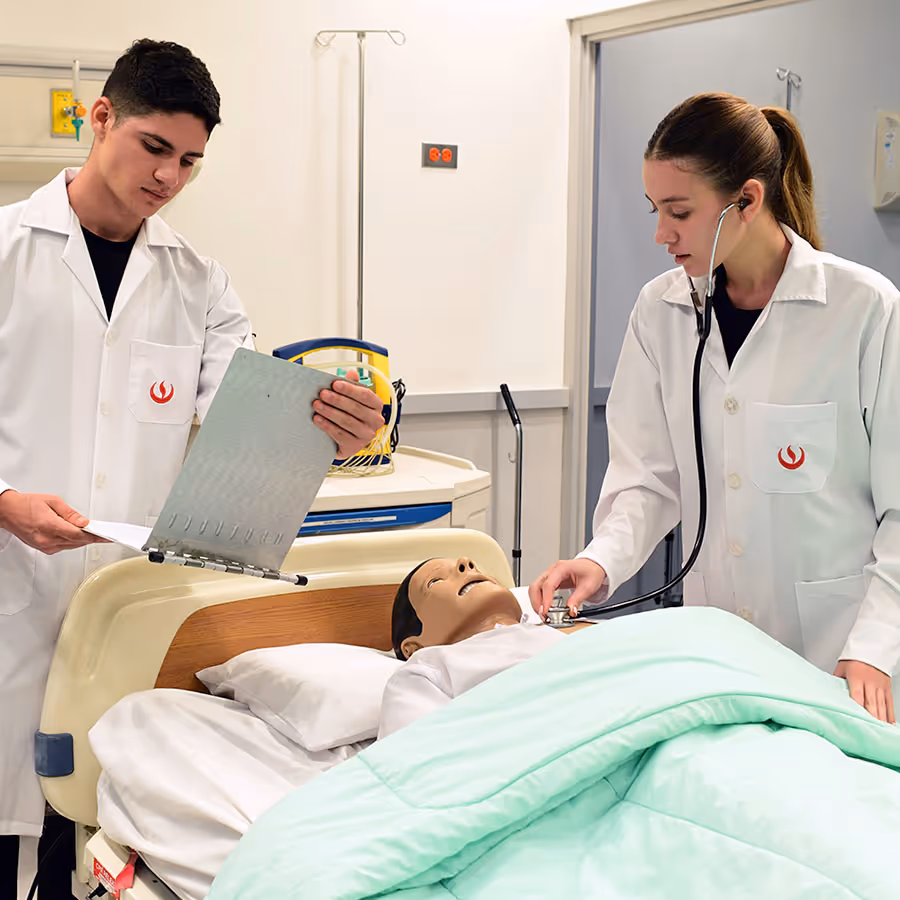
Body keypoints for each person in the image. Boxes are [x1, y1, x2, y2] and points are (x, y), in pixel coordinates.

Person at [0, 39, 385, 897]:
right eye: (154, 148)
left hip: (121, 611)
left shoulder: (200, 284)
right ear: (101, 119)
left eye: (190, 161)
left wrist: (333, 429)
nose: (169, 177)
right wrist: (4, 501)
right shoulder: (6, 250)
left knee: (85, 836)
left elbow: (248, 423)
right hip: (10, 593)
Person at [530, 92, 900, 726]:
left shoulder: (865, 308)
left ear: (748, 200)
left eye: (680, 211)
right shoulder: (661, 310)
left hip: (841, 657)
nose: (661, 234)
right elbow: (648, 478)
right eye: (655, 210)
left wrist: (875, 648)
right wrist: (600, 559)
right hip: (715, 649)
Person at [381, 557, 587, 738]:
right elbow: (413, 756)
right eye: (435, 581)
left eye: (476, 566)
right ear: (414, 648)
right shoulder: (423, 672)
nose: (466, 562)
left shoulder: (566, 639)